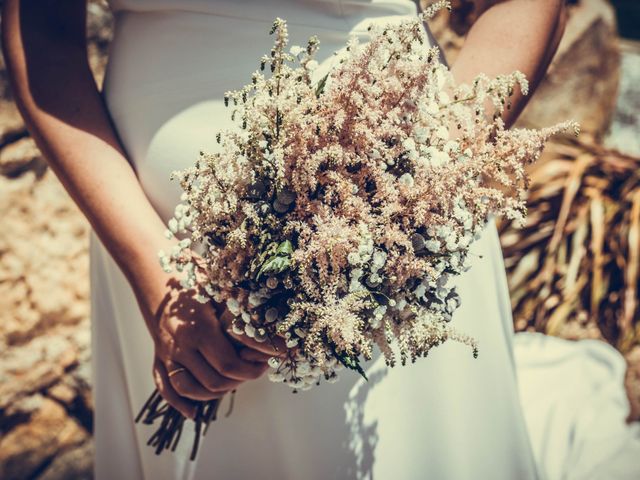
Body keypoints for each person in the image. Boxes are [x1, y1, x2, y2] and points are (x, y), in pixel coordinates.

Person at [2, 0, 567, 478]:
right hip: (156, 230)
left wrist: (413, 192)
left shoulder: (409, 198)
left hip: (404, 209)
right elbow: (41, 35)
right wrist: (160, 279)